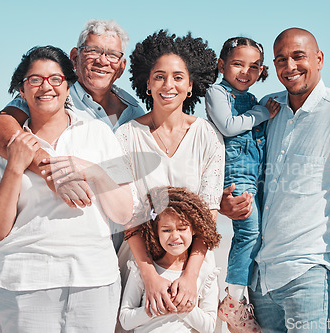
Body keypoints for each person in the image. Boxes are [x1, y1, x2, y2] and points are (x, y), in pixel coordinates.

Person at [220, 28, 330, 332]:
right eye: (281, 60)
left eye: (298, 56)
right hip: (260, 277)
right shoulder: (267, 108)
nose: (290, 67)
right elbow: (243, 166)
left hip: (309, 276)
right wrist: (225, 202)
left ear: (319, 59)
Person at [0, 45, 133, 332]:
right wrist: (16, 164)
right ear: (21, 91)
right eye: (34, 79)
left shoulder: (97, 133)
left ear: (68, 86)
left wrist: (93, 171)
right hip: (23, 280)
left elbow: (123, 213)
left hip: (93, 278)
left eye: (55, 79)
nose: (45, 87)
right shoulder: (5, 145)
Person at [0, 19, 145, 250]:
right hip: (66, 241)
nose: (102, 60)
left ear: (121, 65)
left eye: (112, 55)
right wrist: (53, 174)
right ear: (75, 57)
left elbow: (127, 181)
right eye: (93, 51)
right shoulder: (50, 93)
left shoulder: (133, 110)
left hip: (119, 239)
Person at [115, 30, 224, 324]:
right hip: (138, 266)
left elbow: (209, 214)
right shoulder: (125, 136)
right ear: (147, 84)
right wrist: (148, 276)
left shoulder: (208, 137)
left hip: (195, 264)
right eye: (159, 76)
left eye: (178, 77)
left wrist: (191, 275)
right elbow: (128, 214)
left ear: (190, 85)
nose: (168, 85)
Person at [205, 37, 280, 332]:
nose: (245, 72)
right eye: (238, 64)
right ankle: (233, 300)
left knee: (259, 234)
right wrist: (262, 113)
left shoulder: (252, 99)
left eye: (254, 66)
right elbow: (228, 126)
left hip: (258, 173)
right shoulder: (217, 92)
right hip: (235, 175)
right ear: (222, 65)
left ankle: (244, 296)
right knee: (248, 233)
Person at [119, 186, 221, 332]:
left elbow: (209, 326)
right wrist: (156, 308)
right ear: (155, 232)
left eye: (182, 228)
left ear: (194, 229)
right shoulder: (142, 270)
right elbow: (125, 320)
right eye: (166, 230)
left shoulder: (205, 272)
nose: (174, 236)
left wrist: (182, 307)